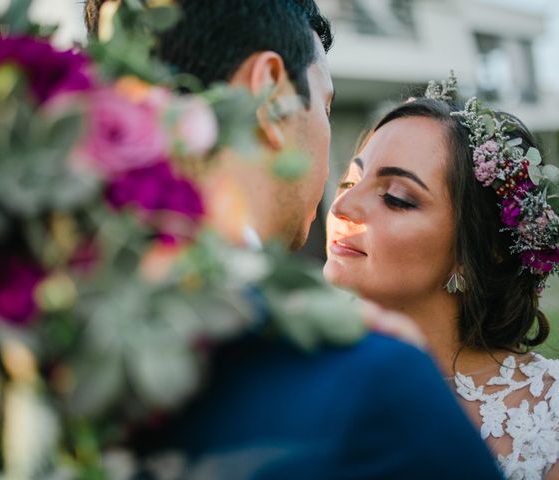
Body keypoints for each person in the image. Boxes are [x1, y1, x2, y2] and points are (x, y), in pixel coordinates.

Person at [86, 1, 504, 478]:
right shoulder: (372, 384)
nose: (342, 206)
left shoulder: (23, 313)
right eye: (324, 105)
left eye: (396, 197)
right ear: (269, 96)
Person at [324, 78, 559, 479]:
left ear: (481, 250)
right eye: (349, 181)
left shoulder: (548, 417)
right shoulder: (292, 374)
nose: (343, 205)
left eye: (396, 197)